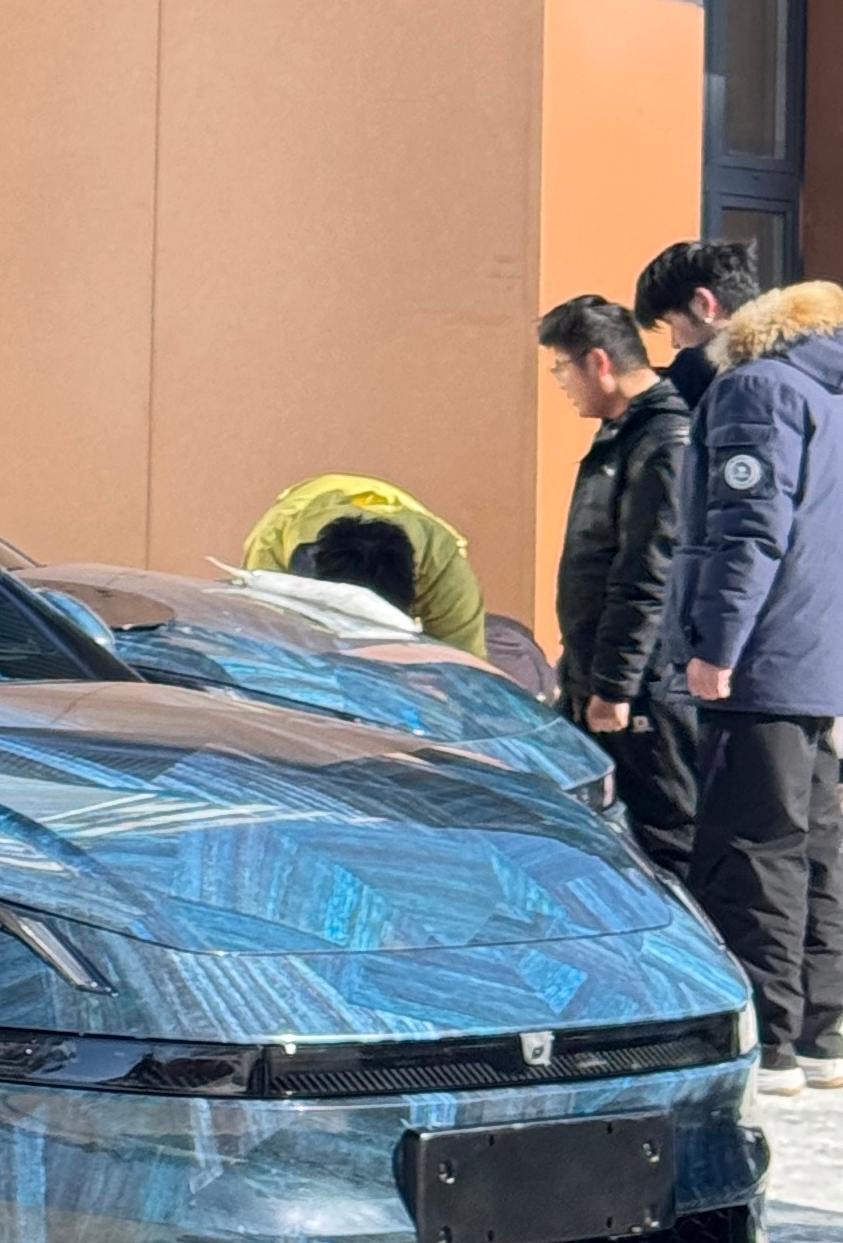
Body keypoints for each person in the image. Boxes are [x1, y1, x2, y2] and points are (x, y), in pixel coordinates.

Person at [668, 278, 843, 1092]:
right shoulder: (827, 393)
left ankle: (768, 1042)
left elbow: (748, 529)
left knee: (751, 849)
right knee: (816, 846)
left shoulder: (756, 390)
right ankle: (822, 1030)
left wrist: (716, 643)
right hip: (817, 659)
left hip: (762, 659)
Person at [538, 293, 695, 877]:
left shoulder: (662, 441)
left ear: (598, 362)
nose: (560, 383)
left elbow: (649, 571)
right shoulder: (623, 434)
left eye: (562, 367)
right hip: (597, 672)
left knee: (664, 838)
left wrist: (614, 685)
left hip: (642, 688)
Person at [244, 474, 487, 656]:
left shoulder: (446, 572)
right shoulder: (271, 551)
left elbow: (465, 665)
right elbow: (266, 648)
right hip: (307, 502)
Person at [634, 238, 762, 412]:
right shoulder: (792, 360)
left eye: (671, 323)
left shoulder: (696, 377)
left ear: (703, 304)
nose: (674, 343)